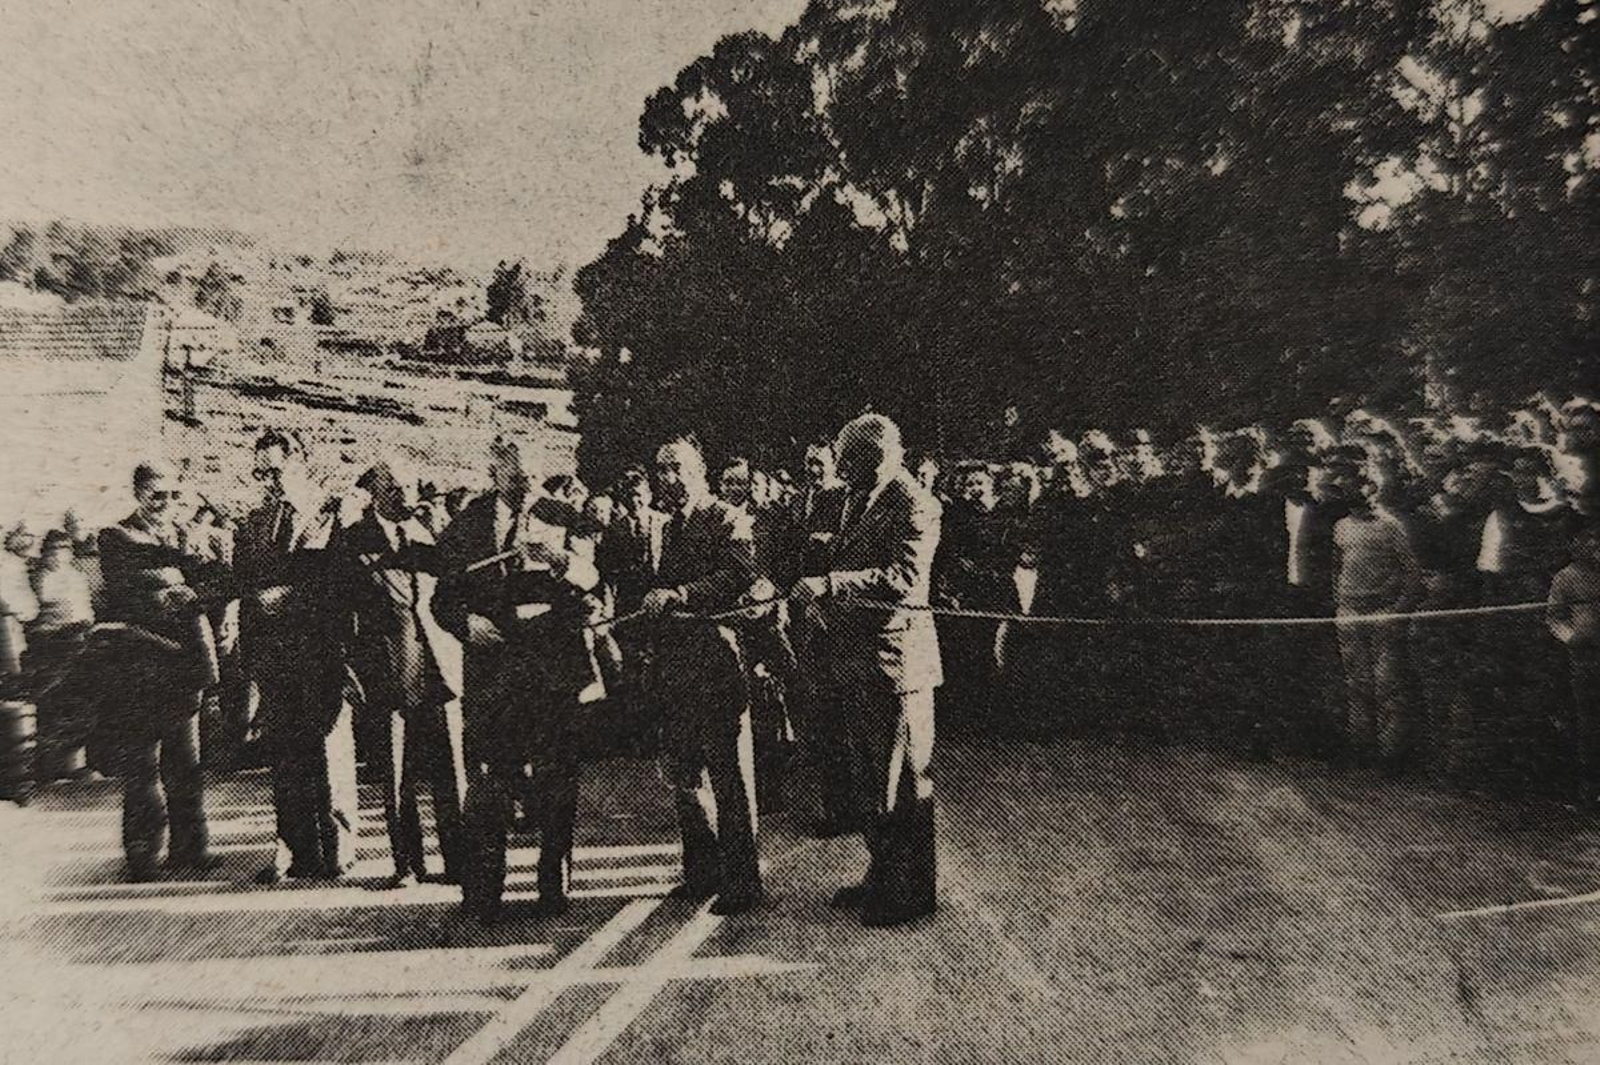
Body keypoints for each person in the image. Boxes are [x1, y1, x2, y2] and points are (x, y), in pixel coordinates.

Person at [437, 437, 604, 922]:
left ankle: (553, 884)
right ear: (494, 473)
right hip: (493, 675)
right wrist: (466, 624)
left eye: (531, 475)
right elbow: (443, 598)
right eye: (514, 476)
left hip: (552, 671)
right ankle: (484, 890)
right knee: (490, 782)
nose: (524, 484)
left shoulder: (564, 513)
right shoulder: (467, 523)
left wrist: (558, 560)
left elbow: (593, 578)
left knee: (556, 780)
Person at [791, 413, 942, 927]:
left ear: (877, 457)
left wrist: (833, 584)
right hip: (857, 662)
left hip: (896, 663)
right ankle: (882, 873)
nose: (842, 471)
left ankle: (910, 892)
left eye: (850, 461)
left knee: (902, 781)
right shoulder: (859, 497)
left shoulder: (915, 503)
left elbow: (903, 577)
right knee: (868, 780)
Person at [641, 435, 766, 916]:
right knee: (683, 773)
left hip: (717, 664)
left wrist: (681, 594)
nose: (666, 478)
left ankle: (743, 880)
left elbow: (738, 574)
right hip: (675, 670)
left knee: (728, 775)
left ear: (700, 471)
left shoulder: (726, 518)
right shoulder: (667, 527)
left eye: (675, 468)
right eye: (660, 469)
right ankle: (702, 871)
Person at [329, 461, 466, 887]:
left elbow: (451, 586)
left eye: (410, 486)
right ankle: (407, 865)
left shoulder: (425, 535)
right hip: (387, 670)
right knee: (397, 772)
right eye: (397, 488)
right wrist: (348, 667)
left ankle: (459, 861)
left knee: (450, 770)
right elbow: (338, 609)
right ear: (376, 494)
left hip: (437, 666)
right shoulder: (354, 542)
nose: (407, 495)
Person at [234, 429, 358, 884]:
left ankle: (337, 850)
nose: (268, 480)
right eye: (260, 472)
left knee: (327, 752)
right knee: (285, 755)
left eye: (276, 470)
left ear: (299, 463)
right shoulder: (251, 523)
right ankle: (295, 850)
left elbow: (335, 585)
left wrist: (285, 598)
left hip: (318, 651)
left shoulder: (326, 513)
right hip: (273, 657)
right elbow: (242, 586)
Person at [96, 461, 225, 880]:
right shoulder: (116, 536)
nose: (166, 503)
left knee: (185, 763)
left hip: (183, 666)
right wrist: (178, 587)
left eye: (173, 496)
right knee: (142, 766)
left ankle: (191, 847)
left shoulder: (185, 533)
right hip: (140, 667)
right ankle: (143, 854)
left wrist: (194, 591)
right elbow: (124, 588)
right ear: (137, 494)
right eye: (157, 495)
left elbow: (216, 582)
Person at [1331, 456, 1425, 770]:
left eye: (1358, 485)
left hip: (1383, 612)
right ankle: (1362, 748)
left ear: (1371, 487)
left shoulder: (1391, 526)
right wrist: (1341, 604)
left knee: (1387, 684)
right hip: (1349, 612)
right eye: (1346, 487)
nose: (1353, 492)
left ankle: (1391, 754)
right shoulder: (1341, 526)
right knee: (1357, 682)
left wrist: (1398, 611)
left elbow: (1413, 573)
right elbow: (1337, 569)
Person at [932, 463, 1017, 734]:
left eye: (980, 483)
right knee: (967, 652)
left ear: (991, 485)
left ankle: (997, 715)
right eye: (970, 485)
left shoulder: (1005, 516)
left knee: (998, 651)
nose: (976, 489)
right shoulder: (957, 517)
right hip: (968, 593)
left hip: (999, 592)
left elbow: (1012, 552)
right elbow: (948, 554)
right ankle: (967, 716)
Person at [26, 529, 95, 780]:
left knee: (79, 703)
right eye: (53, 550)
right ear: (45, 552)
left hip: (79, 641)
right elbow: (40, 606)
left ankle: (74, 763)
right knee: (52, 703)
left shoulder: (77, 576)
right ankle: (49, 766)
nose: (59, 555)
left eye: (64, 550)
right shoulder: (38, 577)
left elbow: (86, 608)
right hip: (51, 643)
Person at [1547, 521, 1600, 796]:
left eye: (1596, 540)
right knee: (1589, 718)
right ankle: (1591, 785)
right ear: (1573, 545)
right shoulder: (1566, 577)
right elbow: (1554, 618)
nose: (1593, 546)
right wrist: (1572, 638)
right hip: (1586, 657)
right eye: (1586, 540)